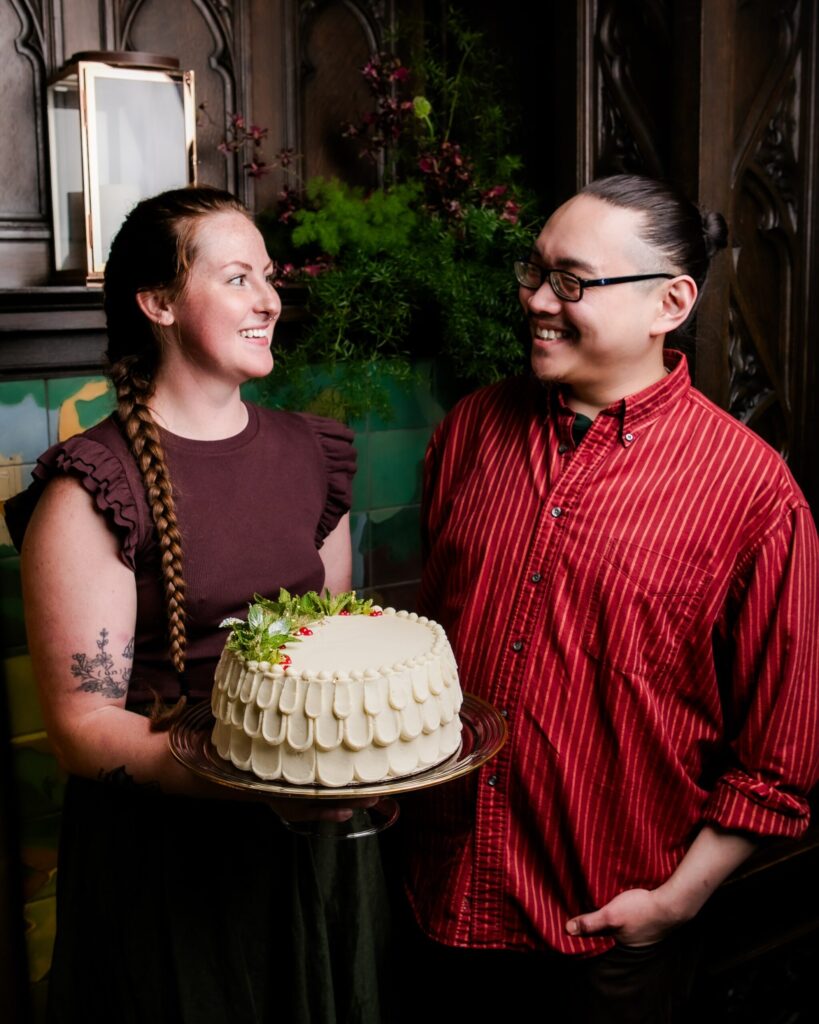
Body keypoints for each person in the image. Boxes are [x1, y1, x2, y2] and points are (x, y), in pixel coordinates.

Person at [400, 174, 819, 1022]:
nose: (534, 300)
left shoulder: (752, 492)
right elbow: (427, 650)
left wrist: (670, 906)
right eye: (533, 271)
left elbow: (778, 762)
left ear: (670, 303)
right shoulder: (471, 431)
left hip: (601, 941)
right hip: (432, 906)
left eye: (571, 280)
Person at [8, 186, 387, 1023]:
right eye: (237, 278)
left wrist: (353, 761)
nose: (268, 300)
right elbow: (81, 729)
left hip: (308, 842)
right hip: (168, 860)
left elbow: (334, 648)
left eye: (269, 276)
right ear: (159, 303)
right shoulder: (91, 487)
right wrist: (262, 782)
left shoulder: (310, 453)